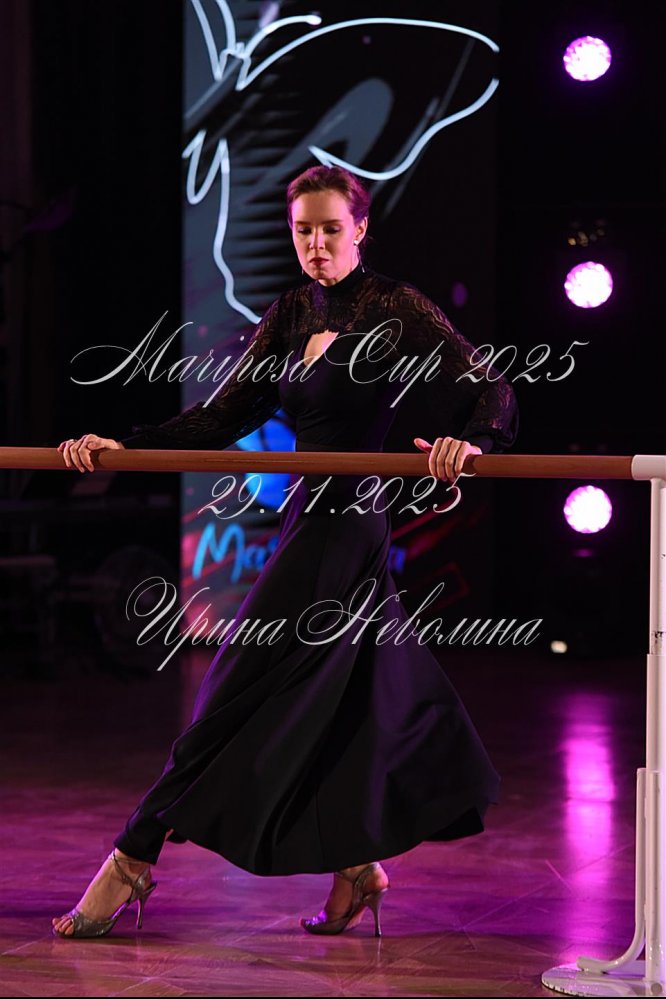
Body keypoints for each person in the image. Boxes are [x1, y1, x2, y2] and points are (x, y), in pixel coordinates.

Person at [52, 164, 518, 939]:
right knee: (349, 702)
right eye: (304, 230)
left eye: (332, 228)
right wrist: (124, 446)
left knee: (232, 690)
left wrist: (471, 442)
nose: (317, 244)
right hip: (309, 520)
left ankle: (132, 857)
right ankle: (357, 868)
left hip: (348, 526)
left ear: (361, 228)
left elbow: (493, 388)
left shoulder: (396, 308)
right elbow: (222, 415)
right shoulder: (292, 312)